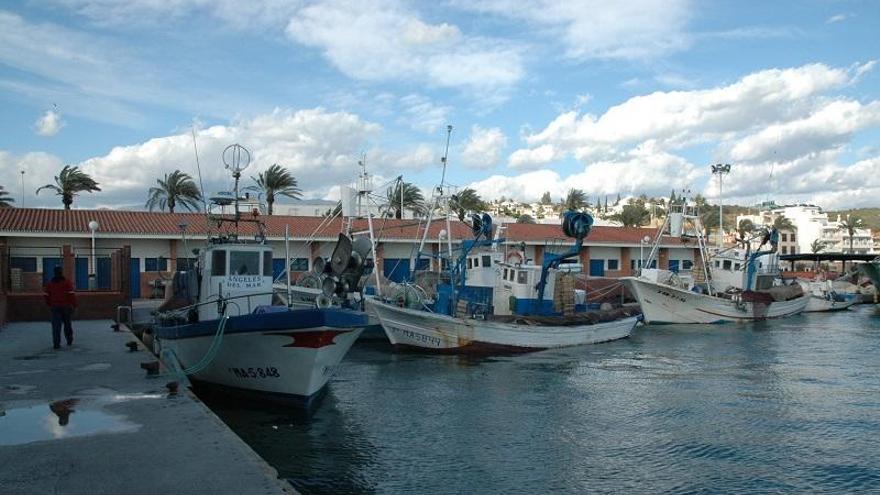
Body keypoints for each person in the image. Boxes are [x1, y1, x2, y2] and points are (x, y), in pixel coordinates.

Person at [43, 266, 77, 349]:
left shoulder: (50, 284)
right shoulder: (67, 283)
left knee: (56, 326)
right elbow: (71, 295)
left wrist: (49, 304)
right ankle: (69, 340)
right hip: (66, 306)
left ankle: (56, 343)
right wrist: (74, 305)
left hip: (55, 307)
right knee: (67, 324)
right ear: (61, 272)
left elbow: (46, 296)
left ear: (54, 273)